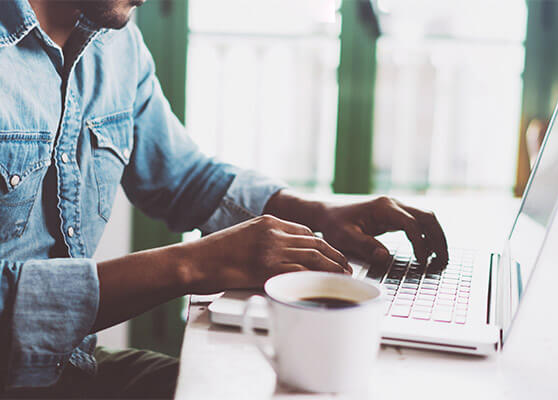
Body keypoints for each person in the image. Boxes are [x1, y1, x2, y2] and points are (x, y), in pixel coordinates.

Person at [0, 0, 448, 397]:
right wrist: (192, 264)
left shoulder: (118, 45)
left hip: (69, 372)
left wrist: (319, 214)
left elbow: (185, 179)